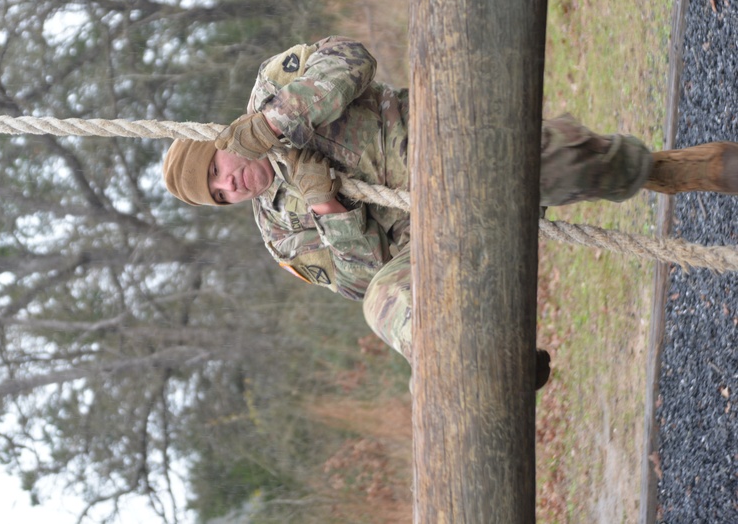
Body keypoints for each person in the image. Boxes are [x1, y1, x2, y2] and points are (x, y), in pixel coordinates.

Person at [162, 36, 738, 382]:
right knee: (385, 306)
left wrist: (278, 121)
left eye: (216, 169)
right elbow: (364, 280)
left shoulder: (271, 86)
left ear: (217, 141)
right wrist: (324, 204)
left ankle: (688, 168)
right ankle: (480, 370)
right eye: (220, 195)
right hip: (431, 241)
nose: (230, 184)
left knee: (585, 167)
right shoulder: (281, 233)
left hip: (454, 144)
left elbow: (354, 60)